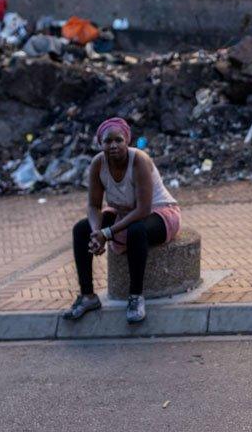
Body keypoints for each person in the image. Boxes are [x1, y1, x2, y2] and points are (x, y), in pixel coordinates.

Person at [64, 118, 181, 324]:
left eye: (118, 140)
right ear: (101, 144)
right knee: (80, 229)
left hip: (158, 213)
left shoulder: (139, 160)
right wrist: (95, 233)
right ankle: (88, 296)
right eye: (108, 141)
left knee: (136, 230)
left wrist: (107, 233)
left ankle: (135, 297)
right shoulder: (98, 164)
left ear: (127, 140)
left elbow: (143, 209)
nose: (113, 145)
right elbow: (94, 206)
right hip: (123, 211)